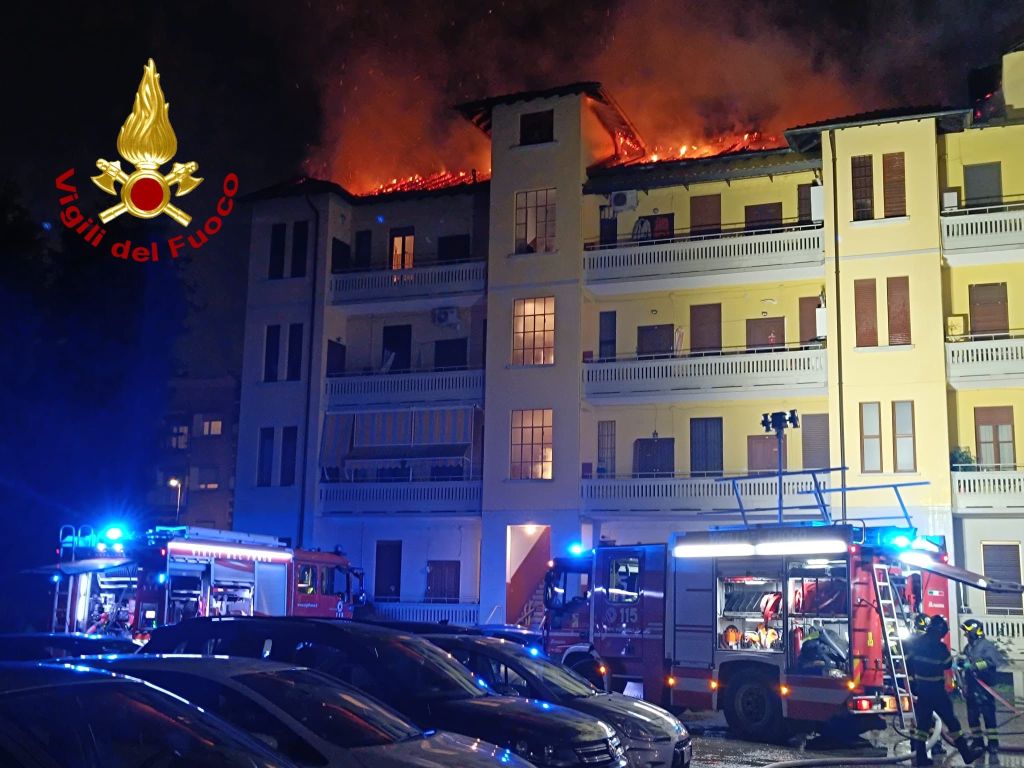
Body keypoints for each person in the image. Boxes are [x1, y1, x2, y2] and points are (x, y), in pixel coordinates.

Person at [905, 615, 984, 767]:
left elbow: (908, 662)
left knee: (922, 727)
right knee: (953, 724)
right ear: (940, 632)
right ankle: (966, 754)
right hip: (937, 692)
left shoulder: (916, 644)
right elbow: (947, 664)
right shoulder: (940, 648)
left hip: (922, 690)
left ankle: (921, 759)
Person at [959, 618, 1004, 757]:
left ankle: (993, 743)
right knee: (972, 717)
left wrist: (974, 666)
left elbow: (993, 662)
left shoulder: (986, 646)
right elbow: (966, 663)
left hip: (984, 687)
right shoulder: (968, 647)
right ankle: (978, 742)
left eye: (967, 632)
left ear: (974, 631)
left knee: (988, 716)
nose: (966, 635)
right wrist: (961, 664)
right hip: (972, 687)